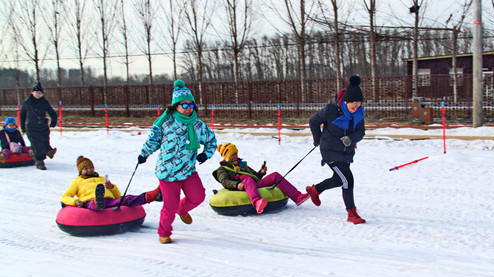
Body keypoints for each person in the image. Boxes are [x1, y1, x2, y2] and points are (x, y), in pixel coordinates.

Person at [138, 79, 217, 244]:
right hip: (167, 172)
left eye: (191, 105)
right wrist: (144, 154)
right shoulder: (166, 123)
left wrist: (205, 154)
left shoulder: (197, 125)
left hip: (188, 170)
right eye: (184, 105)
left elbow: (211, 141)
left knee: (198, 196)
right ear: (176, 106)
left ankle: (183, 209)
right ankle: (164, 232)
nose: (189, 109)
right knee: (170, 206)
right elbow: (153, 141)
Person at [306, 75, 366, 224]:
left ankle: (316, 190)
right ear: (346, 102)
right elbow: (313, 121)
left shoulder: (358, 113)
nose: (355, 109)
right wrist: (317, 139)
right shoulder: (331, 110)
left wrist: (351, 139)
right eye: (353, 106)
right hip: (329, 150)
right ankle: (351, 213)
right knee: (347, 180)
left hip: (346, 152)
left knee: (339, 179)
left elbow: (361, 131)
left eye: (359, 106)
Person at [213, 142, 310, 214]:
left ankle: (297, 197)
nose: (235, 156)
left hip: (252, 184)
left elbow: (254, 176)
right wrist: (236, 185)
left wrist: (261, 172)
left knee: (275, 175)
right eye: (232, 155)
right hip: (241, 187)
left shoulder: (242, 164)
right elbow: (224, 181)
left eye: (235, 154)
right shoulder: (222, 169)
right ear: (226, 156)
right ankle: (256, 203)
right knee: (247, 179)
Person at [60, 156, 162, 210]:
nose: (89, 170)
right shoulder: (77, 181)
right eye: (85, 169)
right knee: (93, 203)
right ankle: (97, 202)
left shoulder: (101, 178)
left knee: (127, 199)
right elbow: (65, 197)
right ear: (80, 171)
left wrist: (111, 187)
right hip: (89, 202)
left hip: (108, 200)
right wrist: (75, 202)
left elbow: (117, 195)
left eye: (91, 167)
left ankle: (153, 195)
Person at [20, 82, 58, 170]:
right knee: (36, 144)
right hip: (31, 127)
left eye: (40, 93)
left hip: (43, 127)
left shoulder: (44, 102)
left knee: (44, 142)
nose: (38, 94)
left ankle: (43, 151)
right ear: (32, 92)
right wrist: (23, 127)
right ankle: (40, 162)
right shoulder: (27, 102)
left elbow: (52, 112)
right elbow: (22, 115)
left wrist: (53, 122)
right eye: (36, 92)